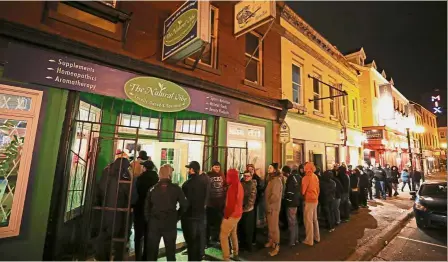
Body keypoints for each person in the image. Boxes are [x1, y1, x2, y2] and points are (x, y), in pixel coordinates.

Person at [145, 164, 188, 261]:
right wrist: (177, 216)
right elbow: (184, 205)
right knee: (170, 252)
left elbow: (146, 207)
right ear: (169, 174)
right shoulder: (176, 189)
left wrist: (149, 219)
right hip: (170, 223)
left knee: (152, 253)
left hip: (155, 223)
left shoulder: (153, 189)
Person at [94, 157, 131, 261]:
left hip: (106, 207)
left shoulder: (106, 171)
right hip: (119, 209)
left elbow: (100, 187)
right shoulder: (123, 175)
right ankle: (117, 258)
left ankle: (101, 256)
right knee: (119, 235)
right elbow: (128, 192)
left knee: (105, 233)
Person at [181, 161, 209, 261]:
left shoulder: (186, 185)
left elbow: (184, 202)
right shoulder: (204, 183)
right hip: (201, 214)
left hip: (190, 216)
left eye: (189, 169)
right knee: (199, 239)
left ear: (192, 170)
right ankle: (199, 256)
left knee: (191, 242)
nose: (188, 171)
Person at [133, 160, 159, 260]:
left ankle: (138, 257)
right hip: (152, 209)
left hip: (140, 208)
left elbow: (136, 194)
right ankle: (147, 257)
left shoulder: (139, 179)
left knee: (138, 236)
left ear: (144, 168)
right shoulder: (157, 179)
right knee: (149, 236)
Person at [220, 169, 244, 261]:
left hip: (232, 215)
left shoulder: (232, 188)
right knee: (233, 233)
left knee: (223, 235)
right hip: (238, 214)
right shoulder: (239, 185)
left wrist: (226, 216)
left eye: (228, 176)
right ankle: (235, 253)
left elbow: (230, 206)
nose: (227, 177)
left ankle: (226, 258)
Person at [264, 163, 283, 256]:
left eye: (270, 167)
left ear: (275, 170)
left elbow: (275, 196)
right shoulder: (270, 179)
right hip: (269, 207)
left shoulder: (276, 181)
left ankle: (277, 246)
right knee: (270, 226)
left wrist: (269, 203)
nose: (268, 169)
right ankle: (271, 241)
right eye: (268, 167)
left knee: (274, 227)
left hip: (273, 208)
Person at [206, 161, 226, 246]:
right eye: (215, 167)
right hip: (210, 203)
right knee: (208, 222)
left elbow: (224, 185)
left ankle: (216, 238)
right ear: (212, 167)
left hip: (220, 203)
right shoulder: (208, 175)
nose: (217, 168)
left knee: (218, 222)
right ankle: (207, 240)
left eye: (218, 167)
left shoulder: (222, 175)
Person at [302, 162, 320, 246]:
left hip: (309, 200)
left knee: (308, 220)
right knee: (314, 219)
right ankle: (317, 237)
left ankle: (309, 240)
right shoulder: (315, 176)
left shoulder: (306, 178)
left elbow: (303, 191)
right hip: (315, 199)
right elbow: (318, 189)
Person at [238, 170, 257, 252]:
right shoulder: (241, 183)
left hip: (248, 210)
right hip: (240, 209)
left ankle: (248, 245)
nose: (246, 177)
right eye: (245, 176)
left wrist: (245, 208)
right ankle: (242, 244)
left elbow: (252, 199)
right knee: (241, 228)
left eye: (248, 176)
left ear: (251, 176)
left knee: (248, 229)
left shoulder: (252, 185)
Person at [283, 166, 301, 247]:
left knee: (291, 222)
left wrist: (287, 201)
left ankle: (292, 241)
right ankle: (296, 239)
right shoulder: (297, 177)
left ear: (285, 172)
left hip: (291, 203)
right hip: (296, 202)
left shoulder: (290, 179)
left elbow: (289, 193)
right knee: (295, 221)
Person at [246, 164, 263, 245]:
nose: (250, 171)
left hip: (254, 203)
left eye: (251, 169)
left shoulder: (256, 178)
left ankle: (253, 239)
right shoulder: (245, 178)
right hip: (246, 203)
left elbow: (260, 189)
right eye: (248, 169)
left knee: (252, 221)